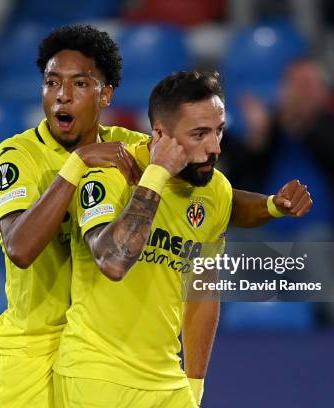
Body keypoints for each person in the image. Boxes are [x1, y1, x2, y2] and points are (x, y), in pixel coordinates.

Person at [53, 71, 312, 407]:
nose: (214, 148)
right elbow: (114, 261)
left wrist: (194, 384)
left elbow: (202, 293)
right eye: (199, 134)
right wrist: (157, 173)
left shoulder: (215, 190)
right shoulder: (109, 174)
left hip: (167, 381)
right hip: (96, 377)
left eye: (219, 131)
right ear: (160, 134)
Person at [0, 25, 147, 407]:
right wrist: (77, 165)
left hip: (100, 358)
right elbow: (20, 248)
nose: (62, 96)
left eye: (79, 84)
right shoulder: (16, 155)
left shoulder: (128, 148)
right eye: (51, 83)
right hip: (29, 358)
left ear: (105, 94)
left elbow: (201, 177)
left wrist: (271, 204)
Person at [223, 60, 334, 240]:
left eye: (307, 86)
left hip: (317, 229)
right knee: (230, 242)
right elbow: (239, 178)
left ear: (323, 92)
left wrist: (301, 124)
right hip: (266, 230)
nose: (300, 94)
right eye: (294, 85)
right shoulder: (270, 128)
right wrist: (258, 137)